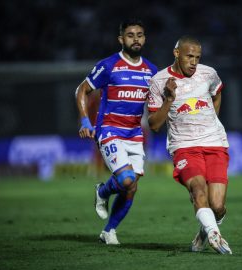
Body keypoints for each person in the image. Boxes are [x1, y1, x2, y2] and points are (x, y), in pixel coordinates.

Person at [75, 18, 157, 244]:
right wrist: (85, 121)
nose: (136, 39)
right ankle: (102, 192)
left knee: (130, 188)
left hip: (134, 133)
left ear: (145, 38)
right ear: (121, 39)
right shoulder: (109, 65)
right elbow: (81, 90)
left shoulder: (151, 70)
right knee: (127, 179)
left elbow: (156, 105)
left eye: (140, 35)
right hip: (109, 130)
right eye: (131, 35)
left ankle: (109, 231)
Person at [147, 36, 232, 254]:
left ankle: (204, 230)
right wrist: (168, 99)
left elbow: (217, 92)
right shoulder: (159, 81)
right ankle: (214, 235)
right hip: (183, 145)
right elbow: (154, 125)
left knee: (218, 206)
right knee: (197, 189)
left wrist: (214, 120)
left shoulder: (208, 73)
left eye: (197, 57)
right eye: (189, 56)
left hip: (214, 142)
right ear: (177, 54)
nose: (194, 62)